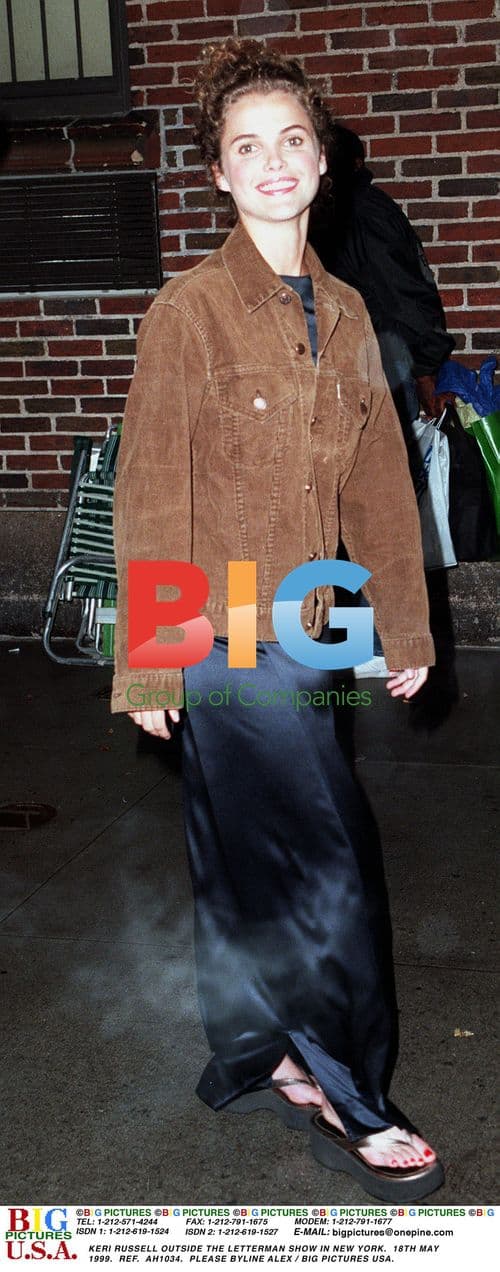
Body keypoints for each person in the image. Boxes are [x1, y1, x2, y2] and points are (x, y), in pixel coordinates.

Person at [111, 38, 444, 1201]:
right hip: (215, 623)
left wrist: (401, 628)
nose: (271, 162)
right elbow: (151, 491)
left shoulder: (348, 311)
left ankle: (271, 1050)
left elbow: (377, 490)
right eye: (244, 146)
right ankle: (355, 1090)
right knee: (324, 862)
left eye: (289, 141)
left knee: (240, 849)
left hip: (318, 611)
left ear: (320, 163)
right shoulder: (187, 312)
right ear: (215, 171)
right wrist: (149, 668)